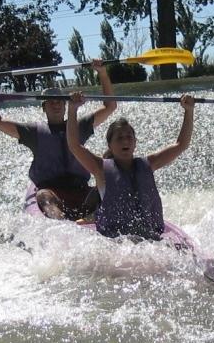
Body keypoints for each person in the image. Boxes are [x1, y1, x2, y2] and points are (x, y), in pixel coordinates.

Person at [0, 61, 116, 220]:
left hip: (81, 191)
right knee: (44, 196)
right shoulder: (33, 132)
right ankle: (62, 223)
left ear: (66, 106)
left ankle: (92, 219)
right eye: (51, 101)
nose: (56, 104)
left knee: (104, 189)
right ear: (44, 107)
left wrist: (102, 73)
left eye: (59, 101)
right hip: (52, 192)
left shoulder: (80, 126)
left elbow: (110, 106)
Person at [66, 91, 195, 240]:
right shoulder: (100, 168)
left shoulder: (149, 163)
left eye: (129, 137)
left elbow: (181, 144)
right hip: (116, 243)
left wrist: (189, 111)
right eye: (119, 138)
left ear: (135, 143)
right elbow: (74, 145)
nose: (125, 141)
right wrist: (72, 109)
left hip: (150, 239)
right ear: (110, 145)